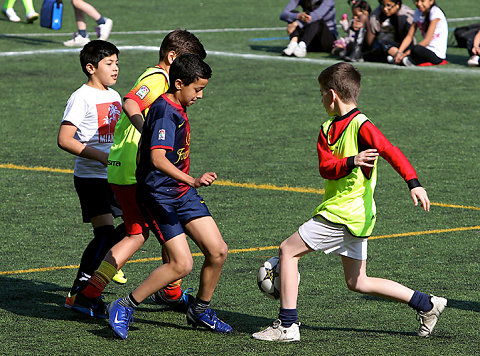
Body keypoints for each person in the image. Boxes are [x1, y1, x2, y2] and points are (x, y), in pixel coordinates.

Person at [252, 62, 447, 342]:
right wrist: (351, 161)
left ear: (332, 95)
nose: (320, 99)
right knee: (358, 282)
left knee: (287, 251)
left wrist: (413, 183)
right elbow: (325, 167)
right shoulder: (327, 129)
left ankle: (287, 325)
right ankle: (427, 304)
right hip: (353, 214)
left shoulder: (361, 125)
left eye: (321, 93)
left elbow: (390, 150)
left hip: (345, 212)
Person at [76, 30, 207, 316]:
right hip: (134, 169)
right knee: (152, 230)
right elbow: (131, 101)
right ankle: (93, 293)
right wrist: (147, 131)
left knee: (144, 231)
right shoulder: (158, 78)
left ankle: (92, 293)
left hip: (125, 166)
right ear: (172, 58)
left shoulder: (163, 80)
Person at [107, 53, 232, 340]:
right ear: (178, 83)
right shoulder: (165, 111)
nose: (201, 95)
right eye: (197, 89)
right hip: (159, 197)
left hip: (181, 193)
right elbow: (158, 158)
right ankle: (124, 305)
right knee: (181, 263)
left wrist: (187, 185)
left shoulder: (175, 105)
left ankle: (200, 310)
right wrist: (193, 179)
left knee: (218, 250)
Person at [57, 40, 125, 317]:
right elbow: (64, 139)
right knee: (110, 233)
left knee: (129, 228)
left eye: (117, 63)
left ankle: (86, 287)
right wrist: (101, 157)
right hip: (92, 178)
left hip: (117, 175)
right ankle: (80, 291)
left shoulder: (116, 96)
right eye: (109, 63)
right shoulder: (81, 97)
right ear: (90, 67)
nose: (116, 68)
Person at [392, 0, 448, 66]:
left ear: (431, 1)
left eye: (422, 1)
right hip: (425, 50)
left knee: (415, 48)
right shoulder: (418, 12)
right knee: (408, 47)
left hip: (436, 54)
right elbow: (409, 36)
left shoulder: (435, 12)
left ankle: (407, 59)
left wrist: (405, 53)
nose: (419, 4)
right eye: (416, 1)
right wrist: (399, 52)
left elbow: (427, 41)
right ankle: (404, 59)